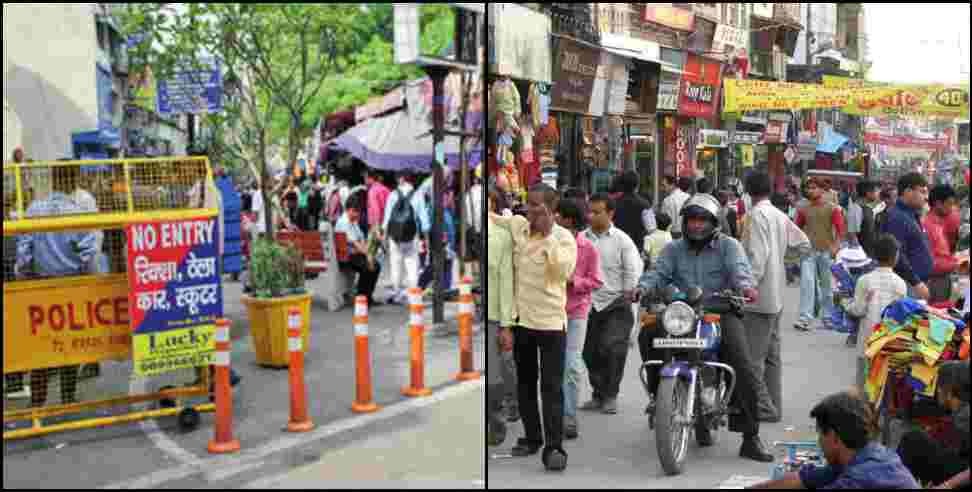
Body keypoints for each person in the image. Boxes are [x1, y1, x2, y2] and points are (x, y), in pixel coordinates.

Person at [638, 193, 771, 462]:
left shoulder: (729, 246)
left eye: (702, 220)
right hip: (681, 313)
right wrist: (641, 287)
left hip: (719, 311)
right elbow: (657, 273)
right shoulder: (673, 249)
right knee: (648, 335)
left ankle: (750, 437)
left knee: (743, 365)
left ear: (714, 222)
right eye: (692, 220)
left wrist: (746, 287)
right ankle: (659, 397)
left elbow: (741, 272)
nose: (696, 225)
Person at [490, 183, 577, 472]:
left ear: (551, 211)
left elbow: (563, 272)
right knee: (525, 384)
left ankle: (554, 447)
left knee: (551, 387)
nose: (530, 211)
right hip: (522, 321)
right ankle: (531, 437)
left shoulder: (564, 239)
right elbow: (494, 218)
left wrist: (549, 236)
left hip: (551, 323)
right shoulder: (519, 226)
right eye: (529, 204)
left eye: (537, 207)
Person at [16, 164, 106, 408]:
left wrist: (24, 278)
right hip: (72, 286)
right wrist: (93, 282)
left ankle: (36, 404)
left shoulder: (34, 209)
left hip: (41, 286)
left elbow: (23, 254)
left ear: (54, 180)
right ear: (74, 180)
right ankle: (68, 398)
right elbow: (90, 256)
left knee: (40, 346)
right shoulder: (77, 212)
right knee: (71, 343)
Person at [740, 172, 812, 424]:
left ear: (748, 190)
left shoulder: (755, 216)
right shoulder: (779, 216)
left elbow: (756, 259)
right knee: (771, 357)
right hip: (776, 294)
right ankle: (773, 406)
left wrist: (746, 285)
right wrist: (782, 264)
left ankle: (762, 406)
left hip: (758, 298)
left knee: (753, 359)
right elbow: (804, 245)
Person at [747, 391, 919, 489]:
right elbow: (805, 478)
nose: (819, 442)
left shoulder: (858, 479)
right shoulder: (869, 454)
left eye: (820, 434)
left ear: (834, 437)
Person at [579, 193, 642, 416]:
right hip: (587, 303)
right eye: (590, 211)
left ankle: (611, 395)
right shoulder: (581, 239)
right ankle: (598, 393)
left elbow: (632, 269)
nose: (591, 216)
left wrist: (629, 293)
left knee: (612, 348)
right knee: (588, 352)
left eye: (597, 212)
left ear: (610, 213)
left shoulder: (622, 240)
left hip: (616, 302)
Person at [557, 197, 602, 440]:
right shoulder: (550, 243)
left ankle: (569, 416)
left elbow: (596, 281)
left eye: (559, 215)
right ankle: (555, 413)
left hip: (576, 312)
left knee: (572, 365)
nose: (555, 218)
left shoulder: (588, 248)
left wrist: (575, 282)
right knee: (553, 367)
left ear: (569, 220)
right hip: (550, 312)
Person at [845, 234, 907, 397]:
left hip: (867, 341)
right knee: (883, 386)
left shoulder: (864, 281)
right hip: (887, 343)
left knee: (862, 384)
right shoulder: (900, 284)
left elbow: (857, 310)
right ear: (895, 257)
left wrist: (846, 305)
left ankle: (861, 415)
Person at [897, 360, 970, 487]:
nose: (937, 390)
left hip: (962, 476)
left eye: (939, 385)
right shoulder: (958, 413)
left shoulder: (965, 416)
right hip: (958, 469)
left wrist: (947, 485)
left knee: (913, 440)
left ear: (949, 388)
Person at [794, 177, 846, 332]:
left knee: (827, 287)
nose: (810, 190)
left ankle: (827, 317)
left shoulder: (833, 208)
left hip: (826, 252)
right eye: (808, 188)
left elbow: (841, 230)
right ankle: (805, 318)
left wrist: (836, 247)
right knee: (807, 285)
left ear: (822, 190)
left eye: (814, 187)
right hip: (808, 253)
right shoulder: (803, 209)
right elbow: (796, 229)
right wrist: (799, 246)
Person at [487, 184, 517, 447]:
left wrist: (506, 325)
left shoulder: (501, 236)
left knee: (495, 380)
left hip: (494, 316)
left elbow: (506, 281)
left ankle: (497, 420)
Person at [880, 172, 932, 300]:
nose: (926, 197)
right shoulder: (898, 218)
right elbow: (897, 255)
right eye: (923, 192)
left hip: (915, 283)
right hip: (908, 285)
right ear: (908, 191)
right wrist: (916, 283)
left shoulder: (910, 215)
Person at [382, 172, 429, 305]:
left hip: (395, 237)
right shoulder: (418, 195)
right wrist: (426, 240)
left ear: (399, 179)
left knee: (395, 265)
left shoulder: (393, 195)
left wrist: (384, 238)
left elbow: (387, 219)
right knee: (412, 265)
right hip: (411, 236)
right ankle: (412, 294)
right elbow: (424, 220)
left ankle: (397, 294)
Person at [335, 197, 381, 305]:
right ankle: (361, 298)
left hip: (353, 254)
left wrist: (367, 251)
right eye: (355, 211)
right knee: (367, 267)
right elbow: (356, 243)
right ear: (348, 210)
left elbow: (361, 238)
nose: (357, 214)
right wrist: (368, 254)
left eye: (358, 211)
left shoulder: (353, 221)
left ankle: (367, 297)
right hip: (345, 257)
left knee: (376, 266)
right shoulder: (344, 222)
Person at [924, 184, 960, 304]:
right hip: (934, 282)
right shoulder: (928, 226)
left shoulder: (939, 224)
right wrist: (955, 263)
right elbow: (929, 261)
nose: (951, 208)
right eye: (949, 204)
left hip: (942, 279)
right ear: (938, 203)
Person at [611, 171, 653, 254]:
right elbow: (651, 227)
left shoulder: (613, 203)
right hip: (638, 246)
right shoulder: (645, 204)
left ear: (622, 184)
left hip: (618, 245)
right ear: (637, 185)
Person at [847, 180, 882, 257]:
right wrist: (859, 256)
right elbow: (852, 234)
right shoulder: (856, 209)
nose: (878, 194)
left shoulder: (867, 208)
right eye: (876, 191)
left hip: (870, 253)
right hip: (862, 256)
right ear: (868, 193)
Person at [661, 175, 692, 240]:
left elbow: (664, 221)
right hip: (687, 234)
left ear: (672, 185)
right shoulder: (688, 197)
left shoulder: (667, 200)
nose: (662, 188)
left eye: (664, 185)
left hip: (671, 235)